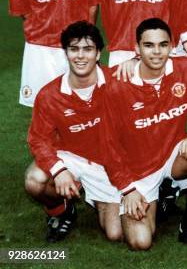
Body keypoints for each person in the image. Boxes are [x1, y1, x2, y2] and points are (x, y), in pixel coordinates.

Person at [101, 18, 187, 253]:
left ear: (171, 46)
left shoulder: (185, 69)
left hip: (173, 154)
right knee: (140, 241)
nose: (156, 52)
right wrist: (128, 189)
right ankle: (161, 193)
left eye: (163, 45)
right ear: (136, 49)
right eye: (148, 45)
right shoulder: (117, 86)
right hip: (139, 170)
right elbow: (108, 145)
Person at [24, 21, 121, 243]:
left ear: (98, 53)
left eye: (87, 49)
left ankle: (101, 199)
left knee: (116, 234)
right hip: (71, 158)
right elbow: (38, 140)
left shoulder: (118, 82)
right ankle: (61, 211)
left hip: (108, 163)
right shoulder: (49, 95)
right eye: (74, 49)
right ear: (65, 53)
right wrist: (58, 170)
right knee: (34, 180)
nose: (80, 56)